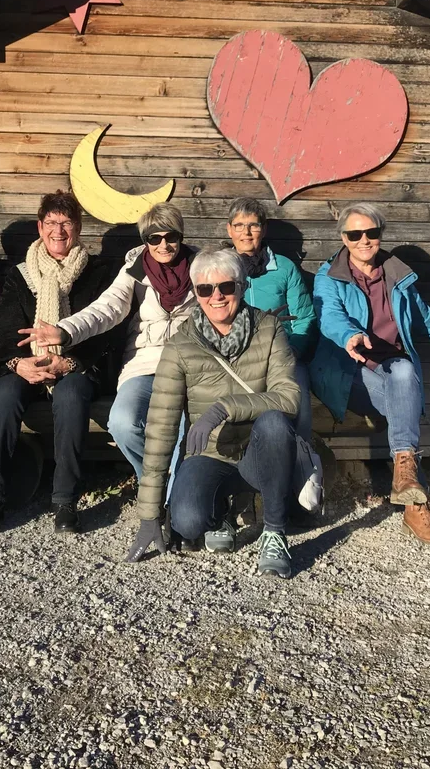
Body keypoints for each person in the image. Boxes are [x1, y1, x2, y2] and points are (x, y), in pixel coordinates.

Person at [310, 202, 430, 545]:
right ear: (343, 238)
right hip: (351, 372)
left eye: (371, 233)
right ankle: (415, 507)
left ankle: (406, 478)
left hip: (394, 370)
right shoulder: (328, 276)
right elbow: (329, 315)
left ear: (380, 235)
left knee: (404, 370)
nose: (364, 240)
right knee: (403, 397)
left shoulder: (398, 278)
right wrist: (350, 335)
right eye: (355, 234)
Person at [126, 248, 301, 579]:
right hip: (211, 454)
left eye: (227, 287)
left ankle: (274, 532)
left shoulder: (269, 330)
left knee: (276, 423)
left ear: (242, 286)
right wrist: (150, 514)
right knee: (187, 522)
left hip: (259, 450)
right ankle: (221, 512)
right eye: (205, 289)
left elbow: (289, 397)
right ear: (195, 293)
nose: (216, 296)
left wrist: (223, 408)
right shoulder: (180, 345)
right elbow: (161, 427)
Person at [0, 192, 118, 534]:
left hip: (73, 365)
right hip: (25, 362)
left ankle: (65, 499)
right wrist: (17, 363)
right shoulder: (20, 274)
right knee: (5, 397)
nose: (58, 230)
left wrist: (69, 362)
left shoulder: (98, 273)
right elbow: (5, 328)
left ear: (78, 228)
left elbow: (104, 329)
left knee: (71, 397)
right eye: (51, 222)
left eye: (66, 222)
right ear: (40, 227)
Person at [18, 202, 195, 483]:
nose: (164, 245)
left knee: (186, 427)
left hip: (189, 366)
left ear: (181, 236)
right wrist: (64, 331)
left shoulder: (201, 269)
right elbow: (107, 308)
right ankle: (155, 481)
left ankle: (173, 495)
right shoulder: (135, 270)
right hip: (145, 363)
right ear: (145, 241)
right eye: (154, 238)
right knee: (123, 424)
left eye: (170, 237)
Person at [225, 196, 317, 446]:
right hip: (234, 356)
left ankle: (301, 462)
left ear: (263, 230)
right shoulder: (220, 267)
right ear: (229, 229)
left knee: (298, 404)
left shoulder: (284, 268)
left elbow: (304, 316)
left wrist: (293, 351)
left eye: (253, 225)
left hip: (282, 353)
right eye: (239, 225)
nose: (246, 233)